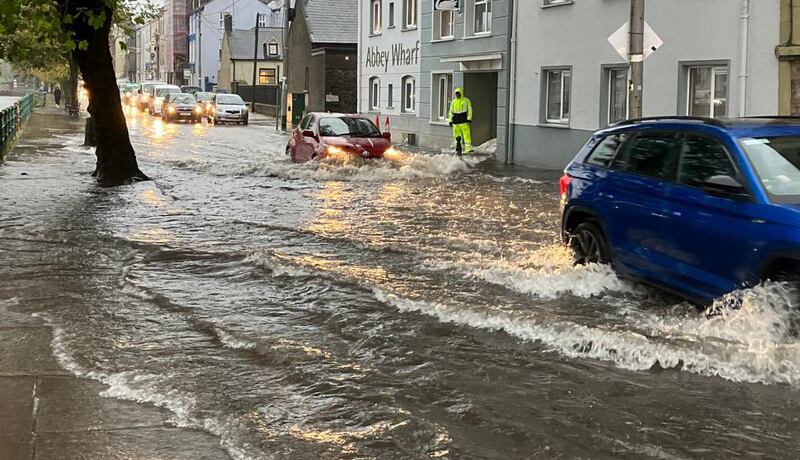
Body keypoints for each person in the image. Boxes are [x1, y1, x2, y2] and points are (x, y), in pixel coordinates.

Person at [448, 87, 473, 155]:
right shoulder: (453, 102)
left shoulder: (466, 100)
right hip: (456, 121)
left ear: (461, 93)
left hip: (463, 121)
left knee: (466, 135)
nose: (458, 95)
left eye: (459, 93)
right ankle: (458, 147)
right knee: (456, 136)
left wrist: (469, 118)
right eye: (456, 94)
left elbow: (470, 110)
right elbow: (450, 112)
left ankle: (468, 148)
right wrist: (450, 120)